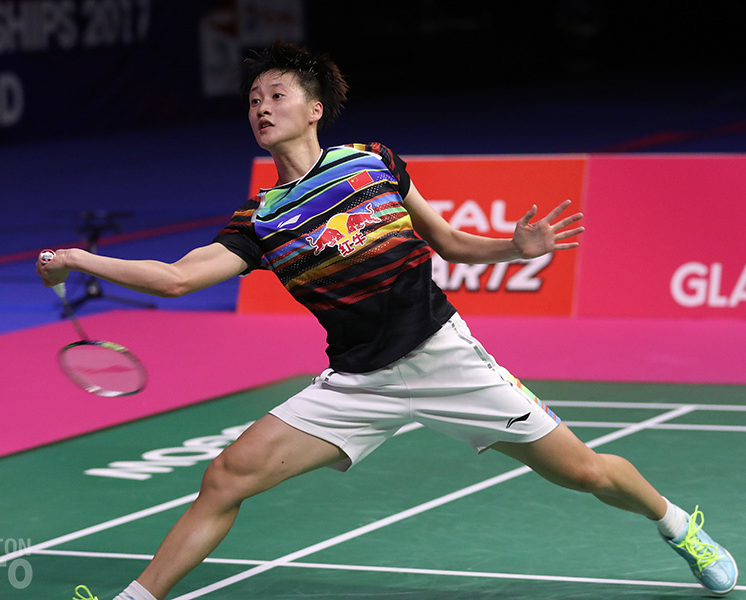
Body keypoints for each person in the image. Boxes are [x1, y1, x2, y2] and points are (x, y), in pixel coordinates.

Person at [39, 42, 738, 600]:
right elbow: (177, 278)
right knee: (224, 476)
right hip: (356, 383)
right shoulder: (260, 219)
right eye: (253, 100)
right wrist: (79, 258)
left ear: (314, 109)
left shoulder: (373, 164)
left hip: (443, 358)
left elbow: (451, 243)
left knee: (583, 471)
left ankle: (677, 525)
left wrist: (513, 249)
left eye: (276, 95)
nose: (261, 107)